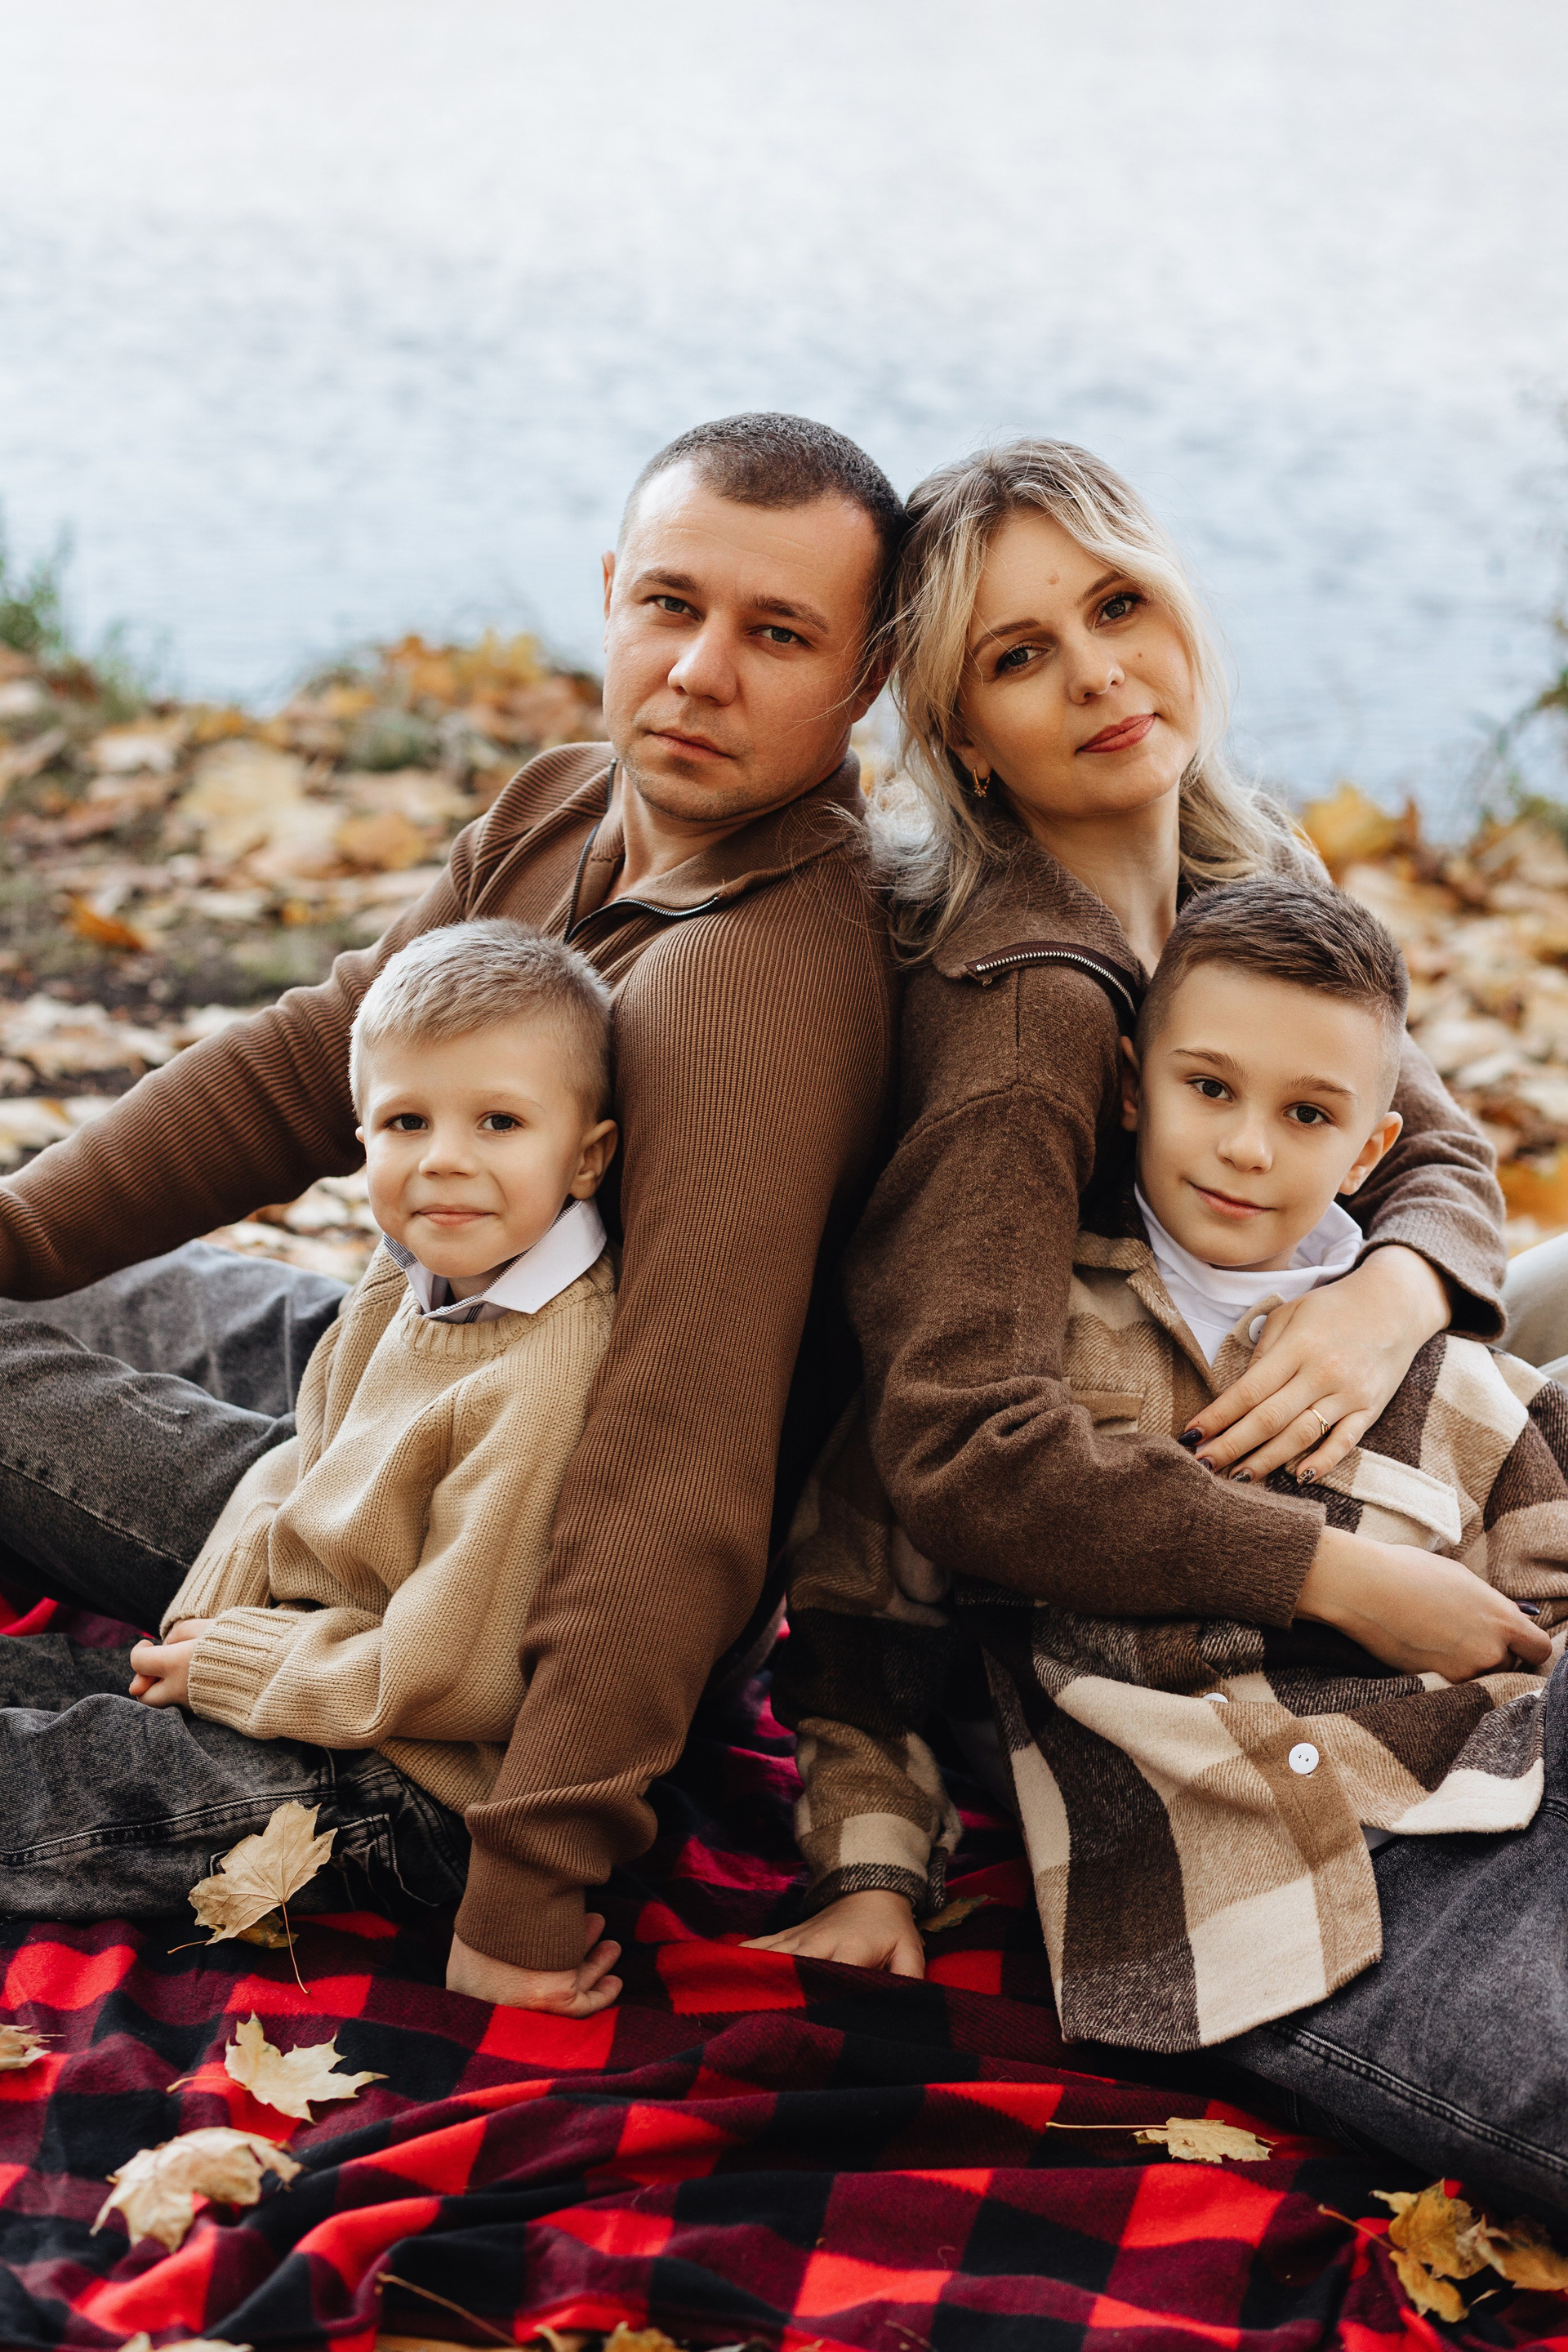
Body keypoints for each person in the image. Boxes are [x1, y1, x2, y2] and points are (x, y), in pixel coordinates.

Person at [739, 436, 1568, 2207]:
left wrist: (1386, 1295)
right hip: (1162, 1602)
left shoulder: (1230, 854)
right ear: (964, 734)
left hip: (1323, 1363)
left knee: (1528, 1326)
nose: (1100, 672)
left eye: (1118, 606)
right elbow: (951, 1447)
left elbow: (1434, 1147)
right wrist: (1334, 1577)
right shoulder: (1035, 1018)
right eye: (1021, 655)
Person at [0, 413, 900, 2012]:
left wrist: (530, 1887)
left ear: (869, 674)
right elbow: (316, 1060)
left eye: (779, 636)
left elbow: (681, 1458)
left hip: (475, 1684)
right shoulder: (568, 805)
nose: (699, 672)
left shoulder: (749, 992)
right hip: (400, 1414)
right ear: (611, 592)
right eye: (671, 605)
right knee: (37, 1315)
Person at [764, 880, 1565, 2074]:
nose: (1247, 1147)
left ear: (1370, 1150)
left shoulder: (1446, 1374)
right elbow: (862, 1633)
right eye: (1210, 1089)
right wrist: (870, 1874)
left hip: (1509, 1790)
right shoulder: (1016, 1348)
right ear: (1133, 1088)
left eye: (1307, 1114)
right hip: (1249, 1898)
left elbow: (1543, 1610)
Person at [0, 922, 626, 1998]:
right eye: (407, 1122)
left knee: (48, 1782)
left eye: (499, 1122)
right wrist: (218, 1607)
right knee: (32, 1682)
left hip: (410, 1780)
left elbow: (462, 1677)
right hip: (314, 1662)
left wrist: (236, 1668)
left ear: (587, 1156)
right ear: (362, 1134)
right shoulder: (414, 1267)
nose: (444, 1159)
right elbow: (310, 1449)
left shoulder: (547, 1370)